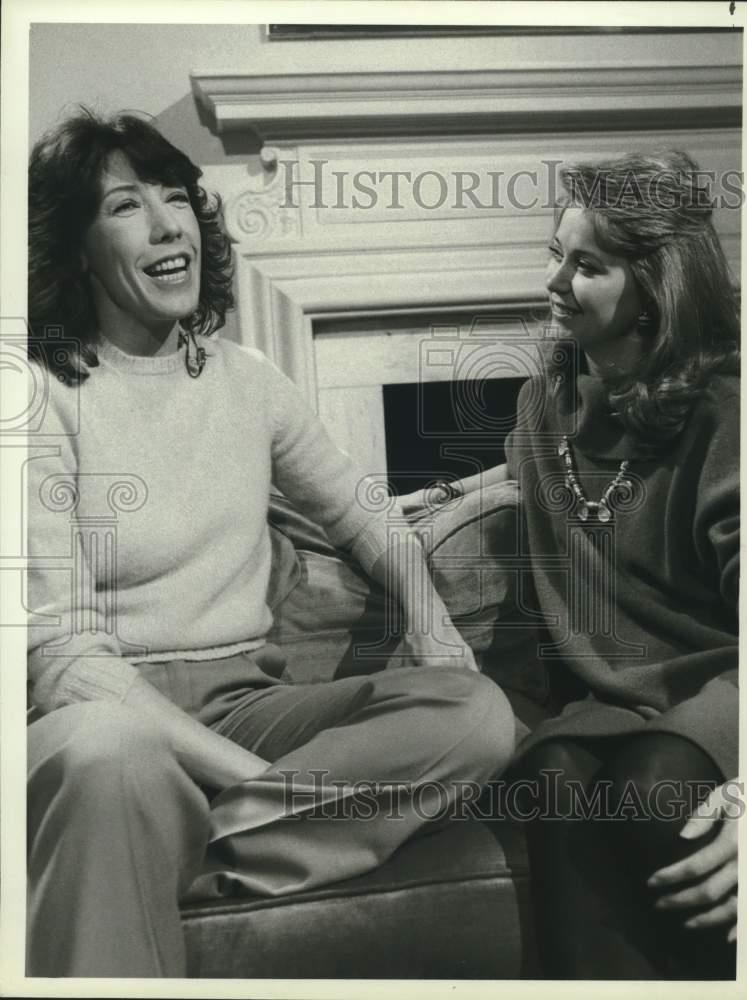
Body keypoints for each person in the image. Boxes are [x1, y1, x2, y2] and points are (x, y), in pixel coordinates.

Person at [25, 109, 516, 978]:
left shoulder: (248, 380)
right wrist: (251, 780)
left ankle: (170, 855)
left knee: (473, 714)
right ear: (74, 248)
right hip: (108, 717)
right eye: (127, 207)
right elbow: (63, 659)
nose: (170, 224)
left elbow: (365, 512)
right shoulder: (33, 395)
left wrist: (433, 623)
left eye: (177, 198)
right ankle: (185, 836)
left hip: (247, 693)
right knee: (111, 756)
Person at [402, 151, 740, 980]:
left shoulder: (728, 410)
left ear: (654, 288)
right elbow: (531, 475)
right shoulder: (546, 401)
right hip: (612, 701)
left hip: (726, 684)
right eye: (555, 253)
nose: (555, 280)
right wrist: (420, 502)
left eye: (586, 265)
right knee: (550, 772)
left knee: (655, 784)